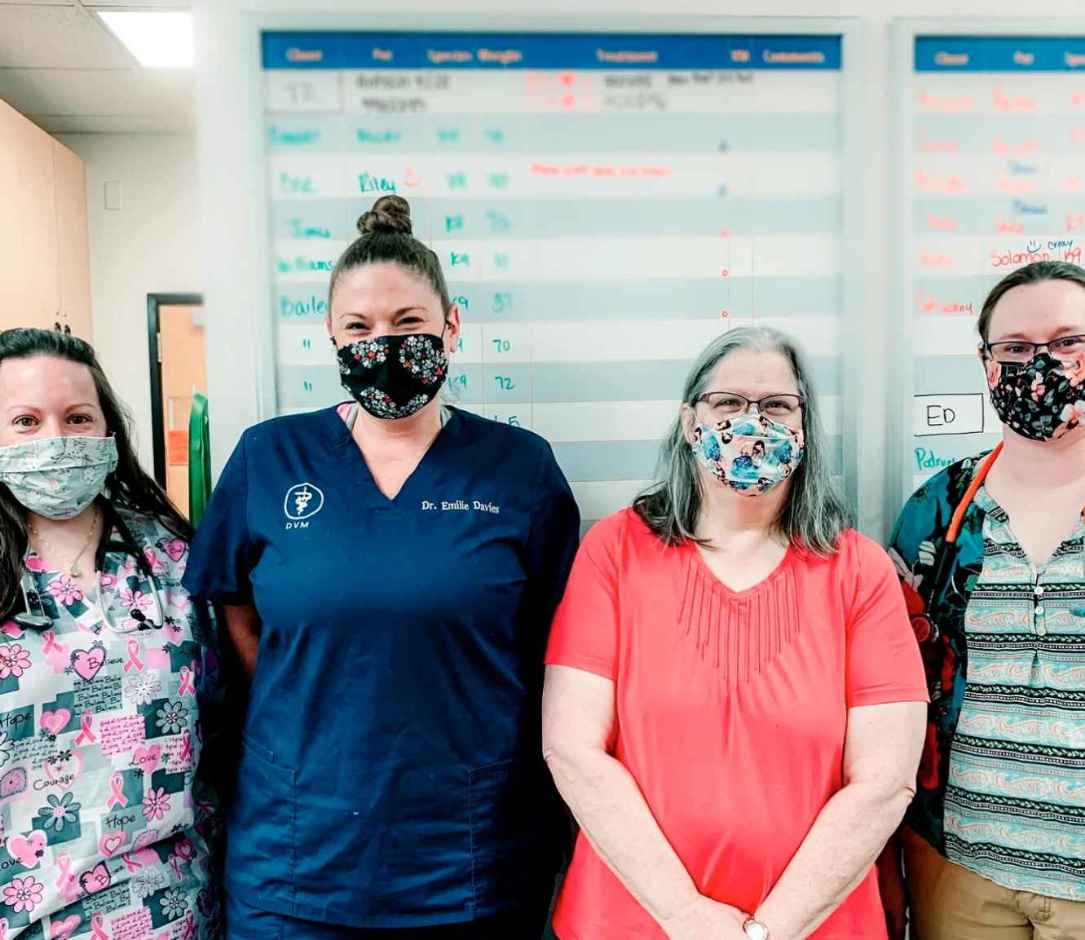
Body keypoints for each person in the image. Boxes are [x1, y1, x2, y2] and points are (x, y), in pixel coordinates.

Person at [182, 195, 580, 939]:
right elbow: (233, 612)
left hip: (471, 855)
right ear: (331, 337)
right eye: (359, 328)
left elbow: (549, 643)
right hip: (299, 857)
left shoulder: (517, 470)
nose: (384, 345)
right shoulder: (269, 459)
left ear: (451, 326)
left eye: (409, 324)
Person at [541, 326, 927, 940]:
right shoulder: (615, 551)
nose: (752, 422)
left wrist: (766, 931)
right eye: (728, 404)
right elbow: (573, 748)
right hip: (628, 921)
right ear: (690, 421)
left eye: (776, 406)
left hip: (818, 926)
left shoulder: (858, 570)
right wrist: (686, 917)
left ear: (804, 428)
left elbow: (884, 781)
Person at [882, 260, 1085, 940]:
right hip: (960, 870)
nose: (1043, 364)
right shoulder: (936, 511)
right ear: (986, 363)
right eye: (1017, 348)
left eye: (1066, 341)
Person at [0, 328, 221, 938]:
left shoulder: (170, 556)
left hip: (175, 910)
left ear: (107, 433)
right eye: (25, 420)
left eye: (76, 417)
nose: (56, 439)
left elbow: (225, 723)